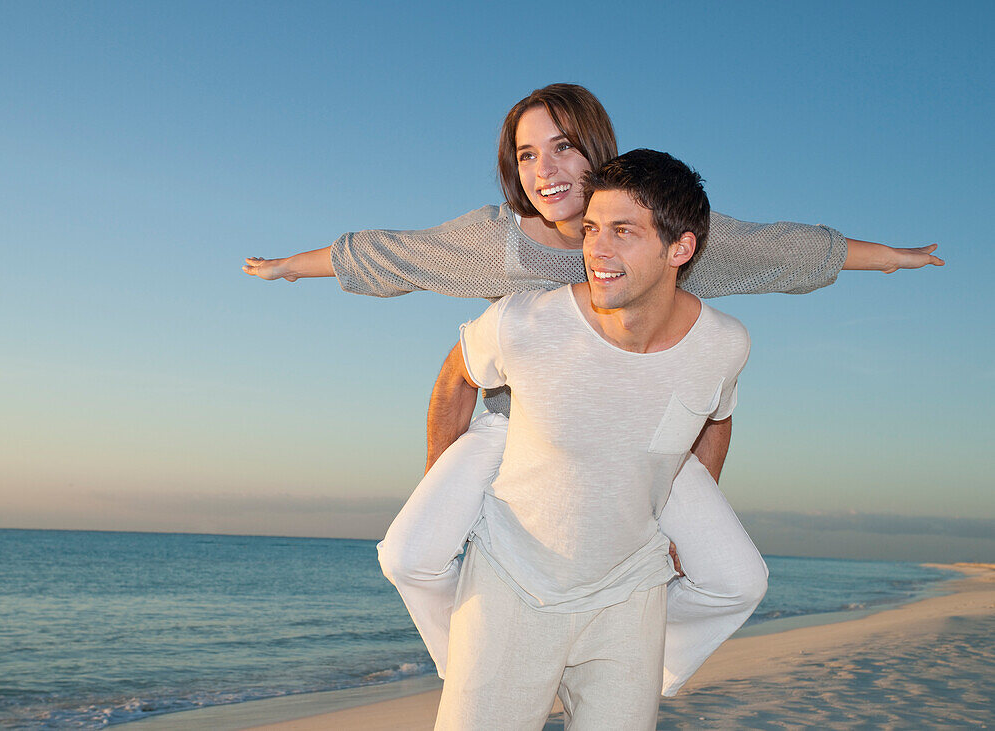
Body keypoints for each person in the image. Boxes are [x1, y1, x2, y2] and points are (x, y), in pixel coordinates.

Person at [243, 84, 943, 695]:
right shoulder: (497, 244)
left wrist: (890, 260)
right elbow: (388, 253)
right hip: (514, 432)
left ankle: (635, 661)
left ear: (596, 151)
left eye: (563, 147)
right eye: (526, 154)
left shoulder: (655, 219)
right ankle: (478, 661)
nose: (544, 170)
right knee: (405, 554)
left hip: (640, 439)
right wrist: (287, 269)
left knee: (739, 578)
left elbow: (782, 251)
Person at [436, 148, 746, 729]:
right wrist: (443, 485)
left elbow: (716, 418)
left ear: (680, 248)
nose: (595, 250)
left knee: (741, 581)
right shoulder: (525, 321)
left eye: (623, 232)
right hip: (514, 583)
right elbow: (457, 374)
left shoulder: (724, 344)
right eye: (592, 229)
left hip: (630, 591)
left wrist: (680, 526)